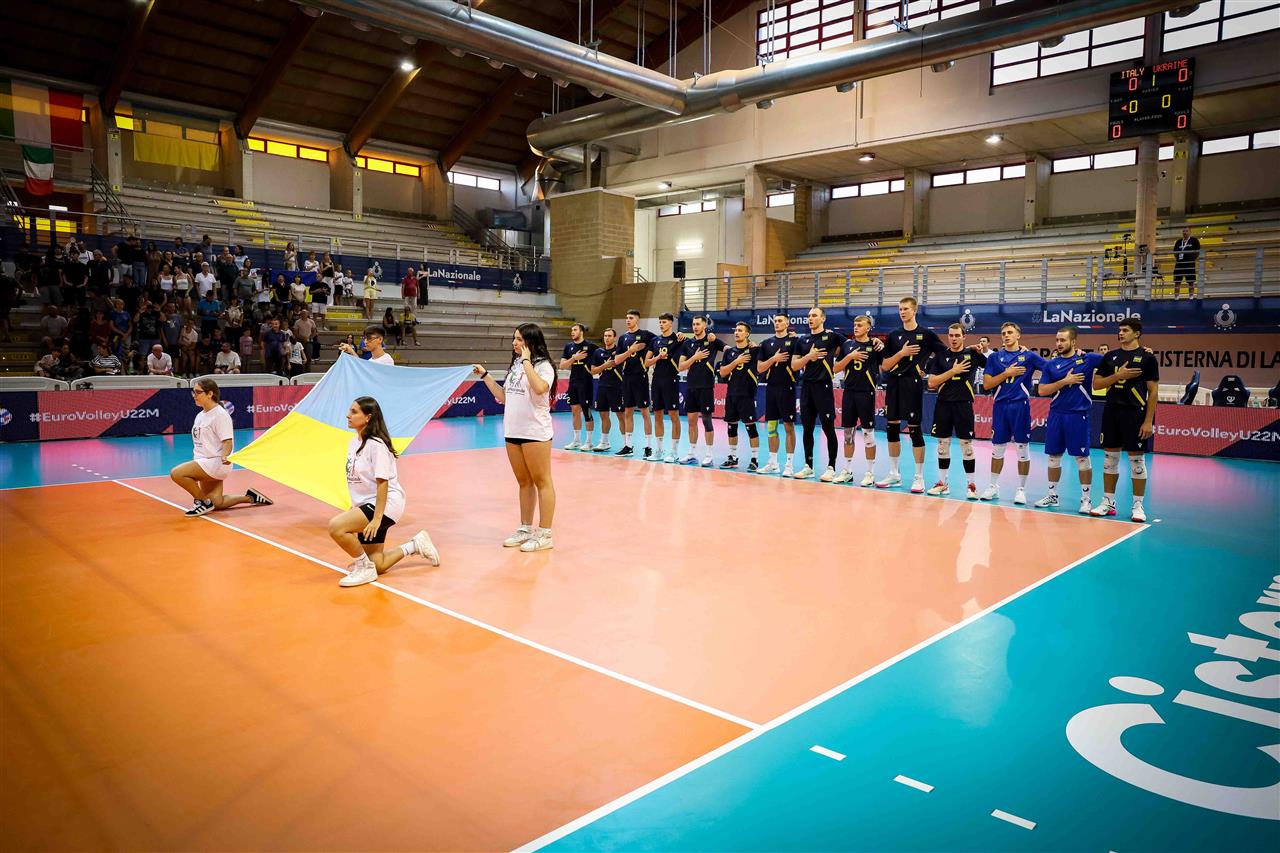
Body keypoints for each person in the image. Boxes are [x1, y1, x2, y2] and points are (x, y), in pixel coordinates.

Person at [330, 396, 440, 588]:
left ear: (368, 417)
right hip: (368, 504)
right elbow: (358, 481)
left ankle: (364, 568)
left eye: (354, 412)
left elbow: (383, 483)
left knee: (336, 527)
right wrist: (355, 507)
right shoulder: (353, 443)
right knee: (378, 563)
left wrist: (376, 519)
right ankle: (415, 545)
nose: (348, 415)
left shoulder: (377, 445)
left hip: (386, 505)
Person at [472, 323, 557, 552]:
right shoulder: (516, 366)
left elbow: (540, 388)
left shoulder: (543, 366)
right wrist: (486, 376)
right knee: (524, 482)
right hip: (513, 431)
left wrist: (527, 361)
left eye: (519, 339)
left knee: (542, 481)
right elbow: (504, 397)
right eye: (514, 338)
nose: (514, 343)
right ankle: (525, 528)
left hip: (535, 432)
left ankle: (545, 534)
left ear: (530, 342)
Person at [170, 378, 273, 517]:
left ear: (210, 394)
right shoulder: (200, 415)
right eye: (193, 392)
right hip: (203, 461)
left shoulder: (220, 415)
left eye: (198, 392)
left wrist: (225, 455)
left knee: (177, 473)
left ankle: (202, 502)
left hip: (215, 463)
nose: (194, 395)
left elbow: (227, 441)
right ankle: (250, 497)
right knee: (216, 502)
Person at [1092, 318, 1159, 522]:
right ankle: (1108, 502)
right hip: (1111, 411)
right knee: (1109, 460)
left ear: (1137, 333)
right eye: (1120, 330)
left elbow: (1153, 391)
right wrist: (1118, 375)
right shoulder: (1110, 356)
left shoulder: (1147, 358)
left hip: (1135, 413)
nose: (1121, 333)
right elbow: (1097, 384)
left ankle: (1138, 505)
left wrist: (1148, 421)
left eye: (1125, 330)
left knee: (1137, 461)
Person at [877, 297, 946, 493]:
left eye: (906, 309)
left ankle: (919, 477)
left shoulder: (926, 335)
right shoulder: (893, 335)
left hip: (912, 385)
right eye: (900, 309)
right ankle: (894, 474)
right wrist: (902, 353)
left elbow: (945, 354)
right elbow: (885, 365)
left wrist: (927, 368)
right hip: (893, 384)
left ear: (914, 310)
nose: (902, 312)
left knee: (915, 430)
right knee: (892, 428)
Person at [1035, 326, 1105, 514]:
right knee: (1053, 457)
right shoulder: (1051, 365)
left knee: (1082, 459)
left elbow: (1114, 359)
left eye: (1063, 340)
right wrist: (1065, 381)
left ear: (1073, 342)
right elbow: (1042, 390)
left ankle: (1086, 499)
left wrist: (1144, 351)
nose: (1059, 343)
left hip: (1078, 415)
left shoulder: (1087, 359)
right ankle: (1052, 495)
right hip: (1056, 414)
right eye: (1057, 340)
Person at [980, 322, 1047, 505]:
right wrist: (1006, 373)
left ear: (1018, 335)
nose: (1006, 335)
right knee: (997, 448)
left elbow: (1051, 368)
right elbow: (987, 384)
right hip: (1000, 406)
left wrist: (1075, 356)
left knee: (1022, 448)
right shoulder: (994, 357)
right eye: (1003, 333)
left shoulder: (1029, 356)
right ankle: (993, 486)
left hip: (1020, 406)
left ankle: (1021, 489)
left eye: (1010, 332)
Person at [924, 323, 986, 498]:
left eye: (957, 335)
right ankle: (942, 483)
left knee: (966, 446)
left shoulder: (973, 354)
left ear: (964, 336)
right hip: (943, 405)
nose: (953, 338)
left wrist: (981, 350)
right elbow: (932, 382)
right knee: (942, 445)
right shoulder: (941, 356)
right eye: (951, 335)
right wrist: (954, 371)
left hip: (963, 405)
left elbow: (994, 364)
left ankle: (971, 485)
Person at [789, 307, 845, 481]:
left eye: (814, 315)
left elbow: (853, 345)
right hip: (806, 387)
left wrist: (876, 342)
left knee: (828, 428)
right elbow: (794, 365)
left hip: (824, 387)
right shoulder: (802, 340)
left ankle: (831, 467)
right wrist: (809, 356)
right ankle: (809, 466)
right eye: (809, 316)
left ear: (823, 319)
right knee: (807, 428)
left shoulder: (832, 337)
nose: (810, 318)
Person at [833, 314, 882, 485]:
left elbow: (884, 367)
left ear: (868, 328)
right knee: (848, 434)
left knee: (868, 433)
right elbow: (835, 368)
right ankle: (847, 470)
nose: (856, 327)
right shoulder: (847, 345)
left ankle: (870, 473)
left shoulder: (874, 345)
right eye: (855, 324)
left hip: (866, 393)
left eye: (860, 325)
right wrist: (850, 357)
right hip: (849, 393)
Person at [676, 314, 725, 466]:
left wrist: (716, 339)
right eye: (693, 324)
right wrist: (695, 357)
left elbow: (730, 350)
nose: (695, 327)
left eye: (698, 324)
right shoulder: (687, 343)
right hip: (691, 386)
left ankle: (709, 455)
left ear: (704, 326)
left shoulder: (712, 341)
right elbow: (680, 366)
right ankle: (691, 454)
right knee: (691, 421)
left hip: (706, 386)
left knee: (706, 420)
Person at [755, 314, 799, 475]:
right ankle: (773, 463)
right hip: (771, 388)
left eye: (780, 321)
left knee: (788, 426)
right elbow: (759, 368)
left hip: (787, 387)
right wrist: (774, 359)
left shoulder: (795, 341)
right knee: (771, 427)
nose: (777, 323)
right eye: (776, 321)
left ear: (787, 323)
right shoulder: (766, 343)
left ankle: (789, 465)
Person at [717, 321, 760, 470]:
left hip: (747, 394)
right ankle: (732, 457)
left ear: (747, 334)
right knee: (731, 427)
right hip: (731, 394)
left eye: (740, 330)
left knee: (750, 427)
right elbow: (723, 372)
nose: (737, 332)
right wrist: (736, 361)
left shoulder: (754, 351)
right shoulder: (729, 352)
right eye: (736, 330)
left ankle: (754, 459)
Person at [615, 310, 656, 458]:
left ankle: (648, 446)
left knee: (645, 412)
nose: (628, 320)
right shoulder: (623, 338)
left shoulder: (646, 335)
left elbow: (661, 341)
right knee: (628, 412)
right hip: (627, 377)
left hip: (640, 377)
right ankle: (628, 445)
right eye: (626, 318)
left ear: (637, 320)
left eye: (631, 318)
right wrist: (630, 351)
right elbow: (617, 360)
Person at [642, 313, 681, 462]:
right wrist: (658, 357)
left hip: (671, 380)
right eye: (660, 322)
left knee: (673, 415)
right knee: (657, 415)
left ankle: (674, 452)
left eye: (664, 322)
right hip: (657, 380)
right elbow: (646, 363)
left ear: (671, 323)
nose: (661, 324)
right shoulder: (655, 341)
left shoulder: (678, 339)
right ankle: (658, 451)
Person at [559, 322, 597, 451]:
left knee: (586, 411)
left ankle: (589, 442)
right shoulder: (569, 347)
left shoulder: (591, 346)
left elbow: (603, 356)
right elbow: (562, 366)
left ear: (581, 332)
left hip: (585, 382)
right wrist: (574, 358)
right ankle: (576, 440)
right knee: (575, 411)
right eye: (572, 330)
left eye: (575, 330)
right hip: (573, 381)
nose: (572, 332)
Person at [588, 328, 624, 452]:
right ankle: (604, 442)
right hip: (602, 386)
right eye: (605, 335)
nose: (607, 338)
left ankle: (626, 443)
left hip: (617, 387)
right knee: (603, 415)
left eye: (609, 336)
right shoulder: (598, 352)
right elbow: (593, 371)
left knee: (620, 415)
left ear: (614, 338)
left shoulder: (620, 351)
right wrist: (605, 365)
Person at [1172, 226, 1200, 298]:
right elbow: (1175, 252)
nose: (1185, 232)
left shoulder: (1194, 240)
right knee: (1177, 282)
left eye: (1186, 231)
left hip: (1189, 264)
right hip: (1179, 264)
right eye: (1183, 231)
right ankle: (1176, 297)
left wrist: (1191, 259)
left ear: (1190, 232)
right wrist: (1179, 259)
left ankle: (1191, 297)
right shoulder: (1178, 242)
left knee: (1191, 282)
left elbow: (1197, 252)